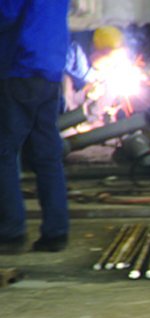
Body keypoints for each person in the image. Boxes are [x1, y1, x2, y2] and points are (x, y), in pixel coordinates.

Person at [0, 0, 71, 254]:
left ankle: (11, 233)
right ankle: (56, 233)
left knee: (4, 154)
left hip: (20, 68)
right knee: (47, 157)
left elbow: (6, 14)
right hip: (50, 71)